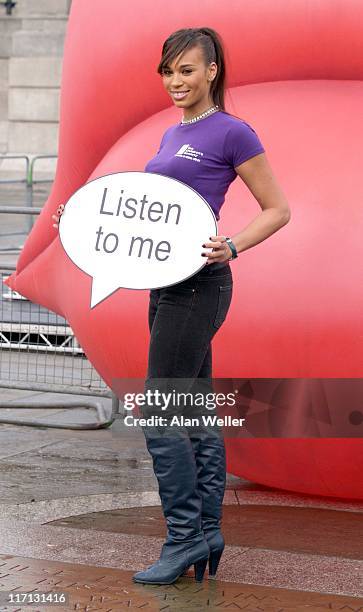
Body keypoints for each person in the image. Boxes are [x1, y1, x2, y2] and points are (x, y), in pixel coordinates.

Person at [53, 26, 290, 586]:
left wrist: (231, 245)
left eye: (187, 70)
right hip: (168, 287)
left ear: (212, 71)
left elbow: (277, 209)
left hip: (201, 286)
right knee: (192, 413)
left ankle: (183, 538)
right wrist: (83, 224)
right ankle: (204, 533)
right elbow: (145, 211)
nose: (175, 81)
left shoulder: (232, 131)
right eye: (168, 71)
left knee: (162, 411)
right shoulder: (170, 134)